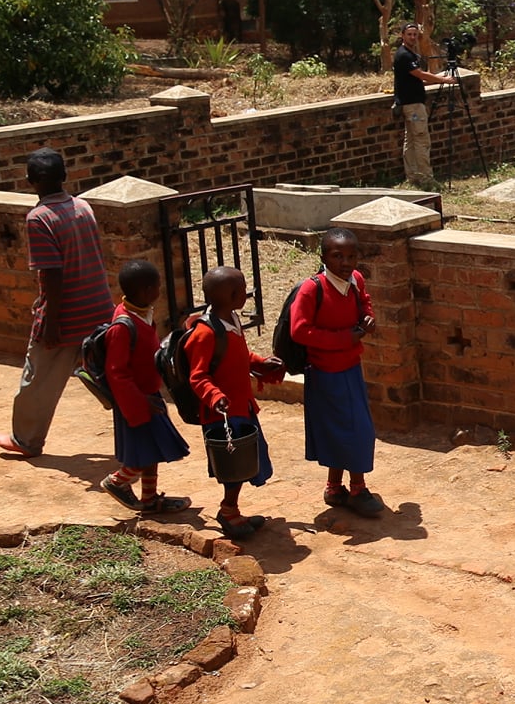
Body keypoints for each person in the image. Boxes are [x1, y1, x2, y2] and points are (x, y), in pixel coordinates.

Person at [0, 147, 116, 458]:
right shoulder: (83, 207)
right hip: (99, 309)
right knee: (110, 375)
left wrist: (50, 324)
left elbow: (52, 275)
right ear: (64, 176)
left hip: (67, 314)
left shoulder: (39, 219)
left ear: (29, 180)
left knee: (38, 379)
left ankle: (26, 440)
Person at [183, 265, 285, 540]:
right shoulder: (206, 333)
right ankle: (228, 511)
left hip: (242, 406)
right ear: (230, 295)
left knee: (246, 461)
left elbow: (239, 354)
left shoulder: (232, 321)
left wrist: (261, 362)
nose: (246, 294)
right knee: (233, 465)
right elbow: (198, 376)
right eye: (242, 290)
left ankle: (232, 509)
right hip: (223, 414)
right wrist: (215, 397)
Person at [292, 228, 385, 517]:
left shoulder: (355, 280)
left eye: (351, 256)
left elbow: (364, 302)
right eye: (337, 256)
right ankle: (357, 489)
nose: (345, 263)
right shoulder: (313, 289)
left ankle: (334, 487)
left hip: (350, 367)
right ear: (323, 257)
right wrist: (344, 338)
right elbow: (299, 330)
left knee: (347, 428)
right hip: (325, 373)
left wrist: (367, 318)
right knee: (353, 430)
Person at [97, 259, 191, 514]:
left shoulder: (142, 313)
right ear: (146, 290)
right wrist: (139, 402)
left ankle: (149, 499)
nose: (160, 291)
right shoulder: (123, 326)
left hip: (150, 396)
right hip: (136, 404)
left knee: (154, 450)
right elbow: (117, 373)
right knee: (145, 453)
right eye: (157, 286)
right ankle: (117, 481)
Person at [392, 22, 455, 189]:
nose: (413, 37)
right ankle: (426, 179)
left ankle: (413, 176)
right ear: (402, 36)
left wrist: (436, 79)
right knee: (421, 140)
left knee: (412, 140)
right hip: (412, 105)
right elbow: (420, 74)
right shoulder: (404, 55)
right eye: (409, 34)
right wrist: (443, 79)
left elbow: (416, 78)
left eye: (415, 34)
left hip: (409, 103)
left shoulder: (410, 53)